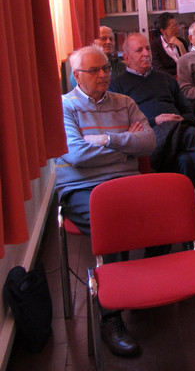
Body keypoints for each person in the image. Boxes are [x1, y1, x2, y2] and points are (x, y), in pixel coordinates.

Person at [57, 45, 156, 358]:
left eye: (106, 68)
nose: (103, 75)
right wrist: (126, 145)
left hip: (125, 184)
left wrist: (104, 139)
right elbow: (76, 155)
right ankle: (110, 316)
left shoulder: (124, 102)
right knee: (113, 226)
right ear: (76, 76)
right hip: (81, 187)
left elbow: (149, 142)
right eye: (94, 70)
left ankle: (138, 287)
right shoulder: (64, 107)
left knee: (168, 216)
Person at [110, 33, 195, 185]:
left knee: (185, 159)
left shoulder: (166, 79)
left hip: (178, 129)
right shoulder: (116, 86)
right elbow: (122, 126)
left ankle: (188, 196)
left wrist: (179, 119)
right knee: (192, 136)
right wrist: (155, 121)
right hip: (150, 134)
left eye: (147, 49)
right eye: (139, 50)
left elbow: (188, 112)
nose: (146, 53)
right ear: (126, 58)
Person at [150, 12, 188, 77]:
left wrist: (180, 46)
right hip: (167, 80)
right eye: (174, 26)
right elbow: (161, 71)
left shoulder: (182, 42)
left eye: (177, 25)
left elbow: (188, 66)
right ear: (163, 31)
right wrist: (181, 70)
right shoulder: (154, 46)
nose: (178, 28)